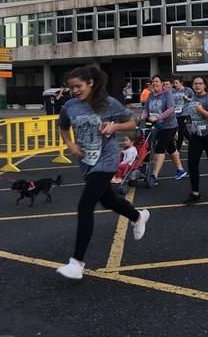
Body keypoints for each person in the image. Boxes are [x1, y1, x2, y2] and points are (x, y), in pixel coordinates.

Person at [56, 65, 149, 280]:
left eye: (78, 86)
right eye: (71, 87)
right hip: (86, 162)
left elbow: (132, 122)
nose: (75, 91)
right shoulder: (70, 106)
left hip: (107, 159)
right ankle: (137, 216)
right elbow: (62, 127)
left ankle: (77, 262)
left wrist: (114, 128)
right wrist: (70, 145)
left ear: (91, 84)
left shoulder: (108, 103)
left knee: (85, 205)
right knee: (108, 201)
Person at [183, 76, 208, 204]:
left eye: (200, 83)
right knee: (192, 162)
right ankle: (195, 192)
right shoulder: (193, 98)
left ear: (205, 86)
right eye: (195, 83)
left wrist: (201, 110)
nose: (197, 86)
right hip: (196, 134)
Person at [141, 74, 187, 185]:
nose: (155, 83)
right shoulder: (151, 95)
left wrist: (158, 117)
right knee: (171, 147)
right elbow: (146, 110)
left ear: (162, 83)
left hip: (169, 126)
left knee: (160, 149)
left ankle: (154, 176)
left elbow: (171, 109)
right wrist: (141, 117)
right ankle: (180, 170)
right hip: (156, 126)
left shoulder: (167, 94)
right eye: (153, 81)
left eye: (157, 81)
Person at [172, 77, 193, 152]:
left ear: (181, 83)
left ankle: (178, 148)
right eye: (174, 83)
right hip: (176, 113)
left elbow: (194, 99)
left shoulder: (187, 90)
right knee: (184, 130)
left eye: (177, 83)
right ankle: (193, 142)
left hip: (184, 112)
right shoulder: (173, 91)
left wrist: (188, 99)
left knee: (180, 130)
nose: (175, 84)